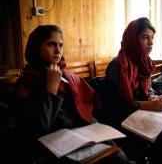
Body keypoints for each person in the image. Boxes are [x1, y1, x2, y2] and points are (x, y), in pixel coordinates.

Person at [11, 25, 134, 164]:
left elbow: (80, 108)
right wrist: (51, 88)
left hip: (78, 135)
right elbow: (37, 130)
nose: (58, 51)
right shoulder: (27, 83)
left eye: (61, 45)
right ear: (36, 47)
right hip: (53, 145)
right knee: (117, 158)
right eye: (51, 44)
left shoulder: (65, 76)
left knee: (114, 146)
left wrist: (95, 128)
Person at [105, 17, 162, 164]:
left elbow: (147, 91)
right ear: (133, 39)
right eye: (145, 37)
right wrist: (144, 105)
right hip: (127, 119)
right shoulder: (118, 65)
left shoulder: (144, 62)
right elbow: (115, 107)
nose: (151, 43)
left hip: (147, 114)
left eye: (152, 38)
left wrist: (156, 99)